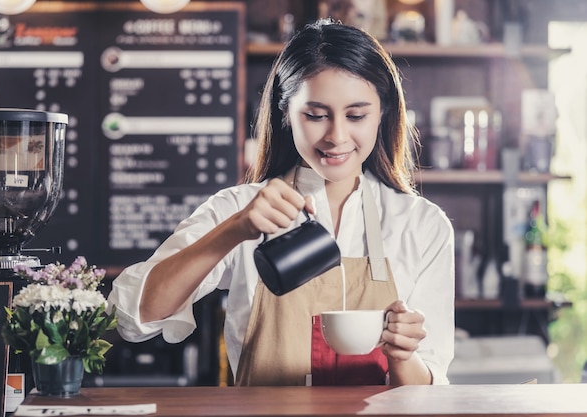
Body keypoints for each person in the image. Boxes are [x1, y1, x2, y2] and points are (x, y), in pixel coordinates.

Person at [108, 18, 455, 387]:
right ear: (285, 113)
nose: (337, 136)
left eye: (356, 115)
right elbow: (131, 317)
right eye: (316, 115)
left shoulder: (422, 225)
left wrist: (402, 355)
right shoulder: (238, 209)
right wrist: (234, 231)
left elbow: (426, 389)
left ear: (383, 113)